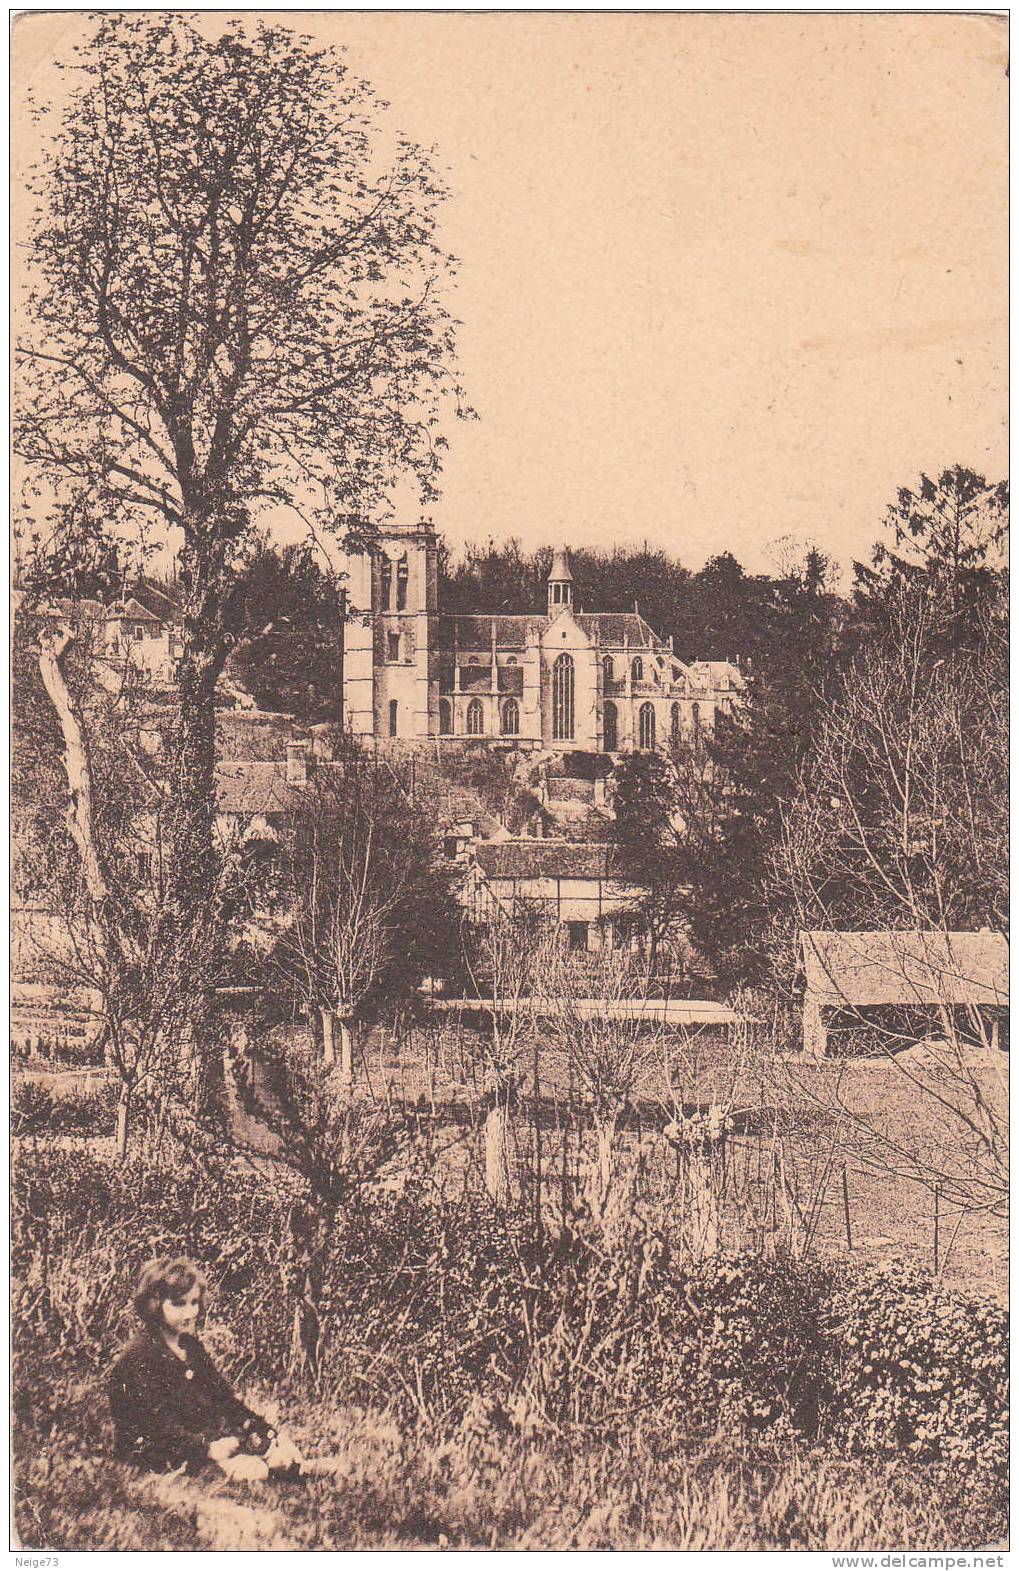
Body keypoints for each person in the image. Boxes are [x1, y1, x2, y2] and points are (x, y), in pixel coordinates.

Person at [108, 1256, 305, 1483]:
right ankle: (275, 1470)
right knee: (254, 1469)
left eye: (194, 1303)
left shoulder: (190, 1346)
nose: (190, 1313)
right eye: (179, 1304)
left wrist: (269, 1433)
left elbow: (225, 1400)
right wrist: (206, 1450)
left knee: (276, 1455)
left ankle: (289, 1466)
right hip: (155, 1453)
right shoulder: (139, 1356)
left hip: (199, 1443)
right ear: (154, 1303)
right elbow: (156, 1426)